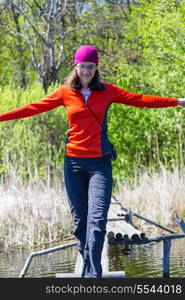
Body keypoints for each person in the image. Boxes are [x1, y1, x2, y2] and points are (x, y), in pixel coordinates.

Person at [0, 45, 185, 278]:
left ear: (96, 68)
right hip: (74, 165)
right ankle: (87, 263)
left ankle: (92, 276)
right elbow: (32, 108)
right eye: (82, 66)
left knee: (97, 221)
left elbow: (141, 100)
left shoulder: (108, 91)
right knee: (80, 223)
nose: (86, 71)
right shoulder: (64, 92)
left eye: (91, 66)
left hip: (100, 164)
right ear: (75, 67)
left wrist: (178, 101)